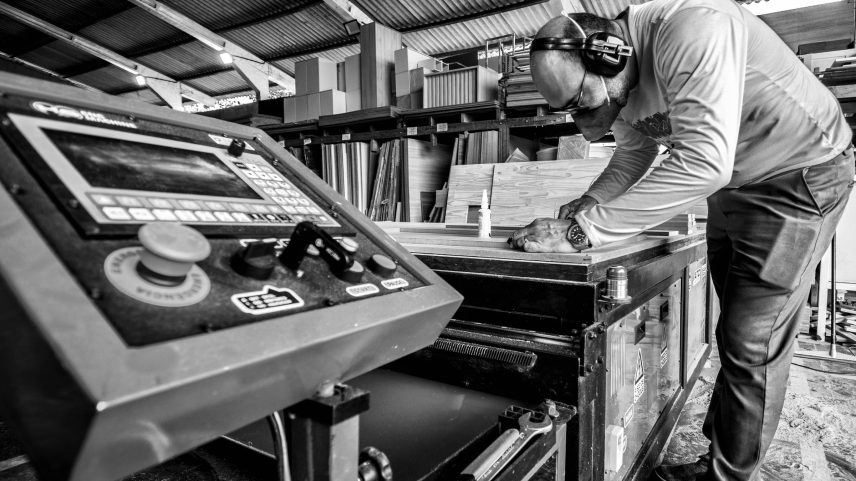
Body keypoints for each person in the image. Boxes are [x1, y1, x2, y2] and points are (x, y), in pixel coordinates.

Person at [509, 1, 854, 480]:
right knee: (732, 326)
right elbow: (634, 156)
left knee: (753, 339)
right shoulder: (621, 82)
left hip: (799, 175)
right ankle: (719, 453)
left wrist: (579, 233)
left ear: (611, 55)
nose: (583, 125)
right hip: (737, 185)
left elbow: (705, 162)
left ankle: (727, 476)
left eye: (582, 105)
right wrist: (583, 208)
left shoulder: (693, 30)